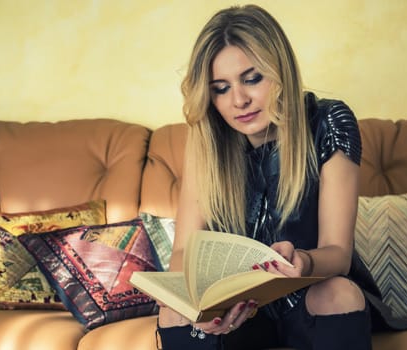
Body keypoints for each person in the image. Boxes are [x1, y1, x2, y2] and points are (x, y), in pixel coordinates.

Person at [157, 4, 377, 349]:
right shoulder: (208, 139)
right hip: (242, 309)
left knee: (338, 293)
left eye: (252, 79)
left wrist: (303, 261)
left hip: (308, 294)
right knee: (174, 311)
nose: (239, 100)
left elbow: (338, 251)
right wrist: (205, 302)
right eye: (220, 88)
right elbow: (183, 249)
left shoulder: (328, 121)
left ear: (280, 70)